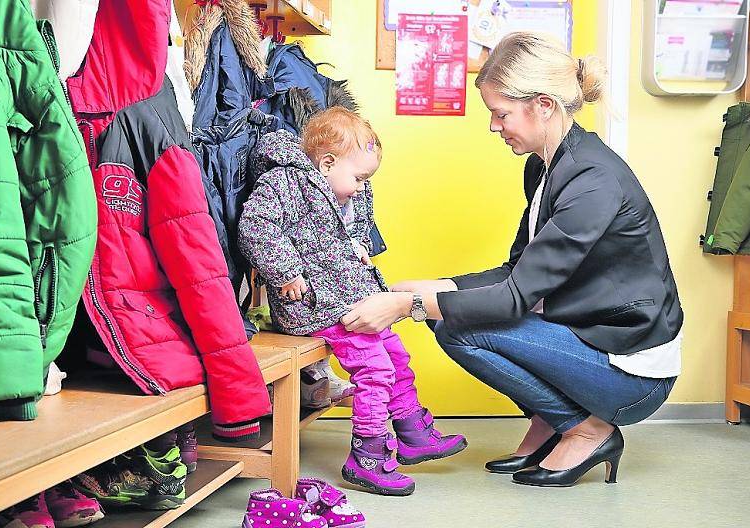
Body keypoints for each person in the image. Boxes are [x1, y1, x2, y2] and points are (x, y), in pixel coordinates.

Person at [340, 32, 683, 488]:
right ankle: (556, 420)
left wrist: (412, 305)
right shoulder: (546, 165)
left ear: (542, 104)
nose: (493, 126)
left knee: (457, 326)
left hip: (632, 375)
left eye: (500, 114)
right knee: (450, 315)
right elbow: (516, 271)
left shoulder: (593, 180)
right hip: (595, 341)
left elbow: (516, 296)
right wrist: (436, 284)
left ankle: (586, 428)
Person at [238, 107, 467, 496]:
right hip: (313, 303)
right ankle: (368, 457)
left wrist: (358, 245)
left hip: (348, 296)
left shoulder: (346, 188)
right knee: (375, 369)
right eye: (359, 178)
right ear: (326, 163)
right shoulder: (286, 184)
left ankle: (411, 429)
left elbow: (348, 227)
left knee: (394, 354)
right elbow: (255, 226)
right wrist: (287, 272)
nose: (361, 187)